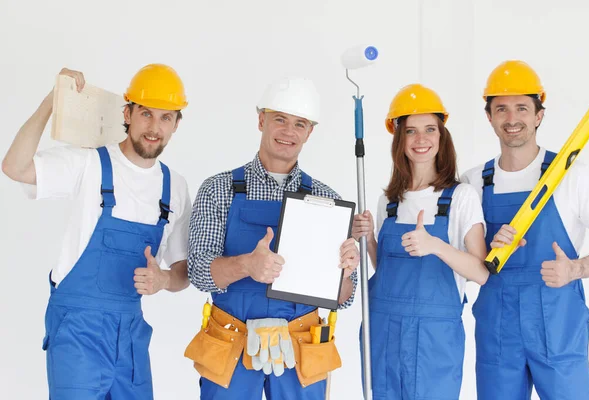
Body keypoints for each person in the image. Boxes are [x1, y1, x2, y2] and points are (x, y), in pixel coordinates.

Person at [1, 64, 192, 399]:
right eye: (146, 113)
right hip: (78, 330)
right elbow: (14, 167)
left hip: (131, 334)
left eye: (166, 117)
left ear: (177, 124)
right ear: (128, 113)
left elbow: (182, 273)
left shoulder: (174, 186)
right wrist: (52, 101)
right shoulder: (88, 164)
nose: (154, 127)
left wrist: (163, 280)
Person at [185, 76, 359, 399]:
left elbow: (344, 297)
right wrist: (247, 266)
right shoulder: (218, 190)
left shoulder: (326, 200)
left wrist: (345, 273)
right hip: (231, 342)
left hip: (300, 347)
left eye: (299, 123)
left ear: (310, 132)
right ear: (262, 120)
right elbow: (198, 271)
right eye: (279, 119)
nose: (288, 131)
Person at [460, 60, 589, 400]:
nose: (512, 119)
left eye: (522, 108)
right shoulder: (473, 182)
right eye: (501, 109)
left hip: (559, 329)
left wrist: (576, 269)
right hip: (498, 334)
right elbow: (464, 264)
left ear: (539, 115)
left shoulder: (571, 174)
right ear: (489, 117)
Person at [352, 83, 489, 399]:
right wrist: (369, 238)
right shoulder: (388, 201)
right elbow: (383, 270)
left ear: (442, 136)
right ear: (399, 139)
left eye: (430, 129)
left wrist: (436, 246)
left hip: (433, 341)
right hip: (382, 332)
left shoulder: (460, 197)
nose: (421, 139)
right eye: (411, 131)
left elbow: (481, 272)